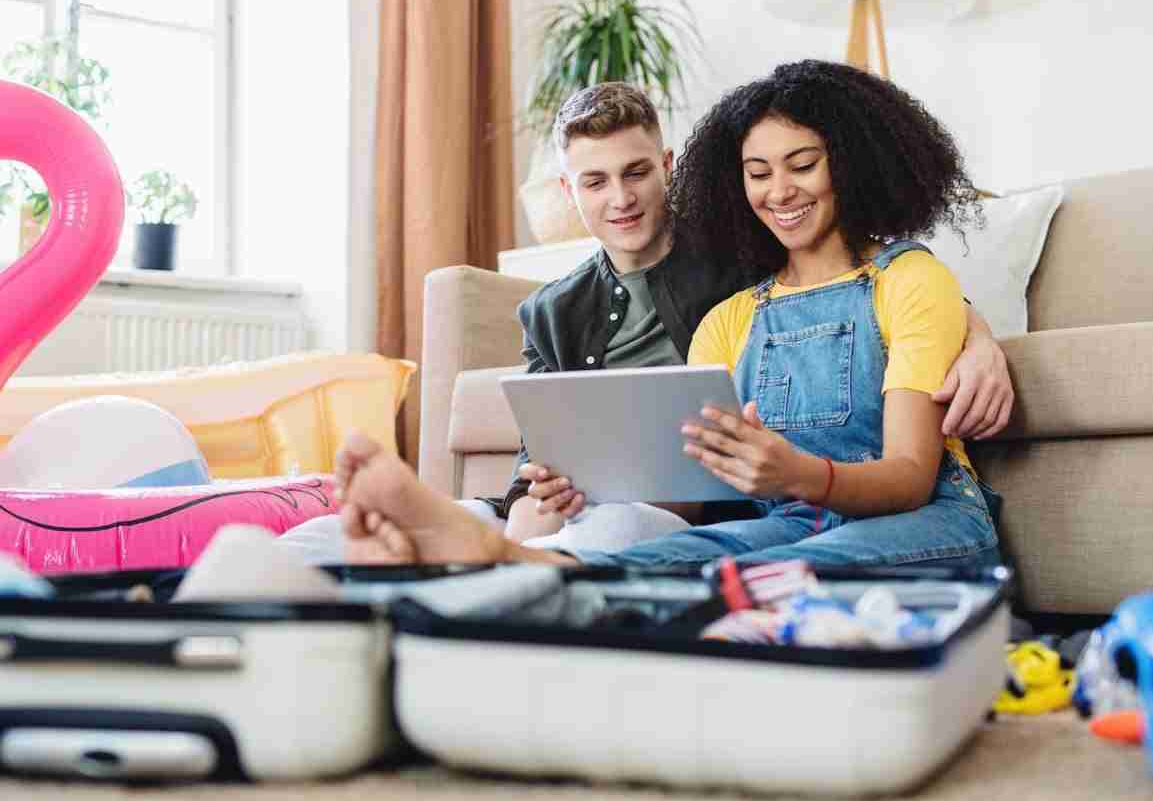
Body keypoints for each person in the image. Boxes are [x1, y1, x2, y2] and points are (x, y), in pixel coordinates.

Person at [336, 61, 1004, 573]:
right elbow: (689, 485)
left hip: (922, 516)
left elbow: (913, 477)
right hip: (792, 516)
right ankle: (500, 557)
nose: (780, 191)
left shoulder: (905, 277)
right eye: (758, 173)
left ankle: (501, 560)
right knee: (689, 561)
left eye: (802, 165)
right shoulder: (732, 316)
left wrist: (978, 338)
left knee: (757, 570)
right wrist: (563, 489)